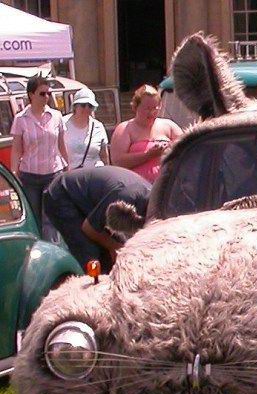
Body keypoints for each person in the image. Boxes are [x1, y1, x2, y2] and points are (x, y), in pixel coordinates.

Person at [43, 166, 151, 273]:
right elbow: (89, 229)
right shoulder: (124, 198)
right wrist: (116, 247)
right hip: (62, 195)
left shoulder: (152, 200)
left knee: (115, 248)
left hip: (90, 199)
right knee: (92, 254)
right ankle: (93, 281)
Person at [10, 75, 69, 236]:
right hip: (29, 175)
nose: (46, 97)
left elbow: (62, 145)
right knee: (34, 218)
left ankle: (51, 248)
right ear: (31, 94)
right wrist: (14, 173)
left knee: (50, 218)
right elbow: (16, 149)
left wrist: (68, 167)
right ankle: (36, 247)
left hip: (53, 173)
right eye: (42, 94)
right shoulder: (20, 119)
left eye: (49, 93)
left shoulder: (56, 116)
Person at [110, 84, 182, 184]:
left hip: (167, 185)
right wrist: (148, 155)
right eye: (147, 108)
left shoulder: (169, 125)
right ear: (135, 107)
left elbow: (185, 148)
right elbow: (118, 161)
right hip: (136, 185)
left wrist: (169, 149)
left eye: (155, 108)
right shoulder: (125, 128)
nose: (152, 112)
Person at [64, 87, 109, 169]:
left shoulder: (98, 126)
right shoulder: (63, 123)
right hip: (71, 173)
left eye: (90, 106)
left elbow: (104, 155)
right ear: (75, 106)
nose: (87, 108)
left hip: (95, 173)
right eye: (83, 105)